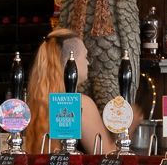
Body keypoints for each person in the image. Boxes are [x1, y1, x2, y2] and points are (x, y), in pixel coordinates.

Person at [24, 26, 109, 155]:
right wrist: (132, 124)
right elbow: (107, 155)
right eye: (85, 56)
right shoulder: (81, 104)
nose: (88, 63)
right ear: (72, 61)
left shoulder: (34, 103)